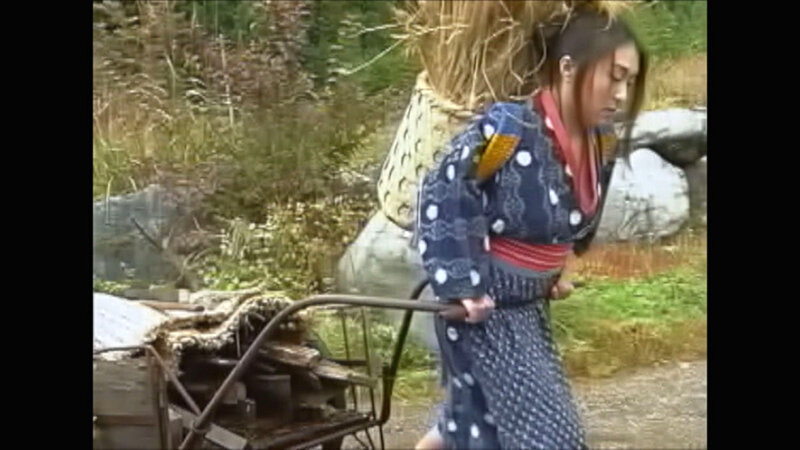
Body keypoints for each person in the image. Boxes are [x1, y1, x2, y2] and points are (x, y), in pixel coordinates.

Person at [412, 9, 648, 450]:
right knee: (549, 437)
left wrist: (561, 268)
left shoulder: (600, 140)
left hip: (529, 309)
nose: (621, 94)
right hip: (486, 311)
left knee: (474, 424)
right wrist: (463, 285)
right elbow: (446, 188)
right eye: (613, 77)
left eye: (630, 82)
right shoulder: (509, 129)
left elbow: (577, 222)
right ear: (568, 68)